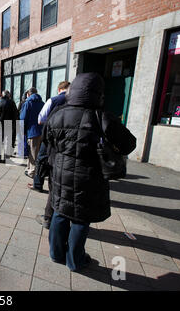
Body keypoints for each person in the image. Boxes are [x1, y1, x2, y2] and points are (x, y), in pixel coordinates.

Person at [45, 73, 136, 272]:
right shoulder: (102, 116)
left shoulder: (58, 113)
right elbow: (129, 144)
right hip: (89, 178)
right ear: (98, 94)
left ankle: (56, 253)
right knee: (80, 219)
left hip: (61, 173)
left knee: (60, 212)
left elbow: (48, 141)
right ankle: (75, 261)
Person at [32, 81, 70, 229]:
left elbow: (40, 119)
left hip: (52, 142)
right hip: (69, 151)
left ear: (59, 89)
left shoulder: (54, 100)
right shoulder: (84, 105)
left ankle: (38, 184)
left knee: (46, 167)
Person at [20, 88, 45, 178]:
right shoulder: (42, 103)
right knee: (34, 151)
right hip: (41, 131)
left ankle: (32, 172)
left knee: (33, 152)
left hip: (32, 131)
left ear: (28, 94)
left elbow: (23, 118)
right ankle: (29, 168)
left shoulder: (28, 103)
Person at [0, 90, 18, 164]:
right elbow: (15, 114)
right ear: (8, 95)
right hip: (9, 123)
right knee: (8, 141)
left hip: (0, 122)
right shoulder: (12, 102)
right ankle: (6, 157)